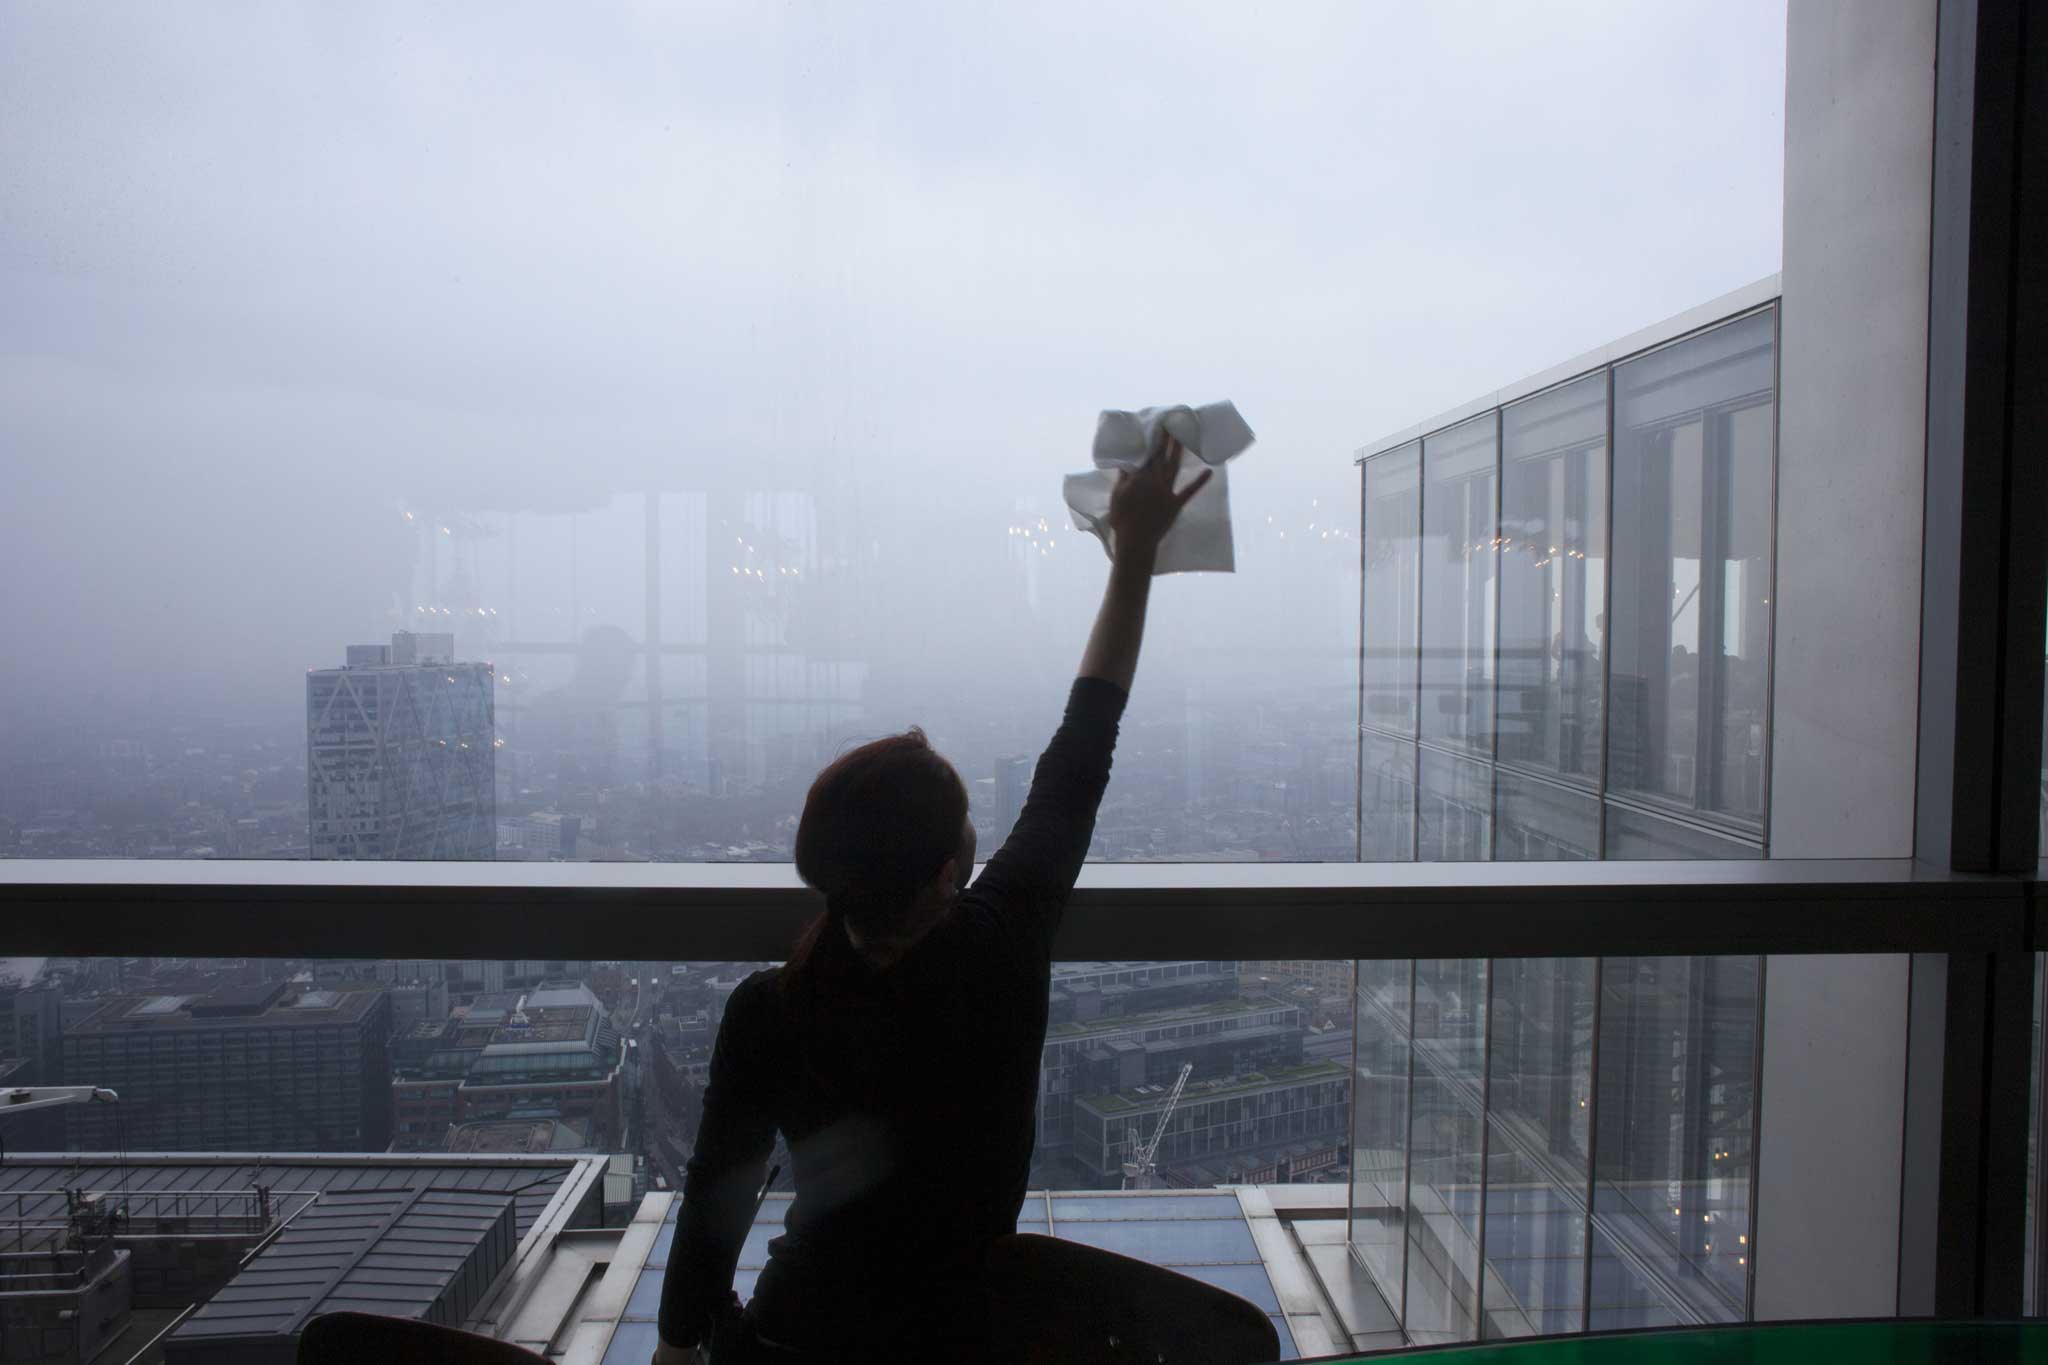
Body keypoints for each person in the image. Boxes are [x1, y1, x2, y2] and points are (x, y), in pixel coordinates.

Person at [653, 434, 1212, 1364]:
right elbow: (1082, 746)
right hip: (965, 1342)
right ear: (952, 868)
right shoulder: (996, 953)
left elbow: (716, 1211)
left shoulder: (769, 1010)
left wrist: (679, 1350)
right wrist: (1135, 559)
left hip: (797, 1339)